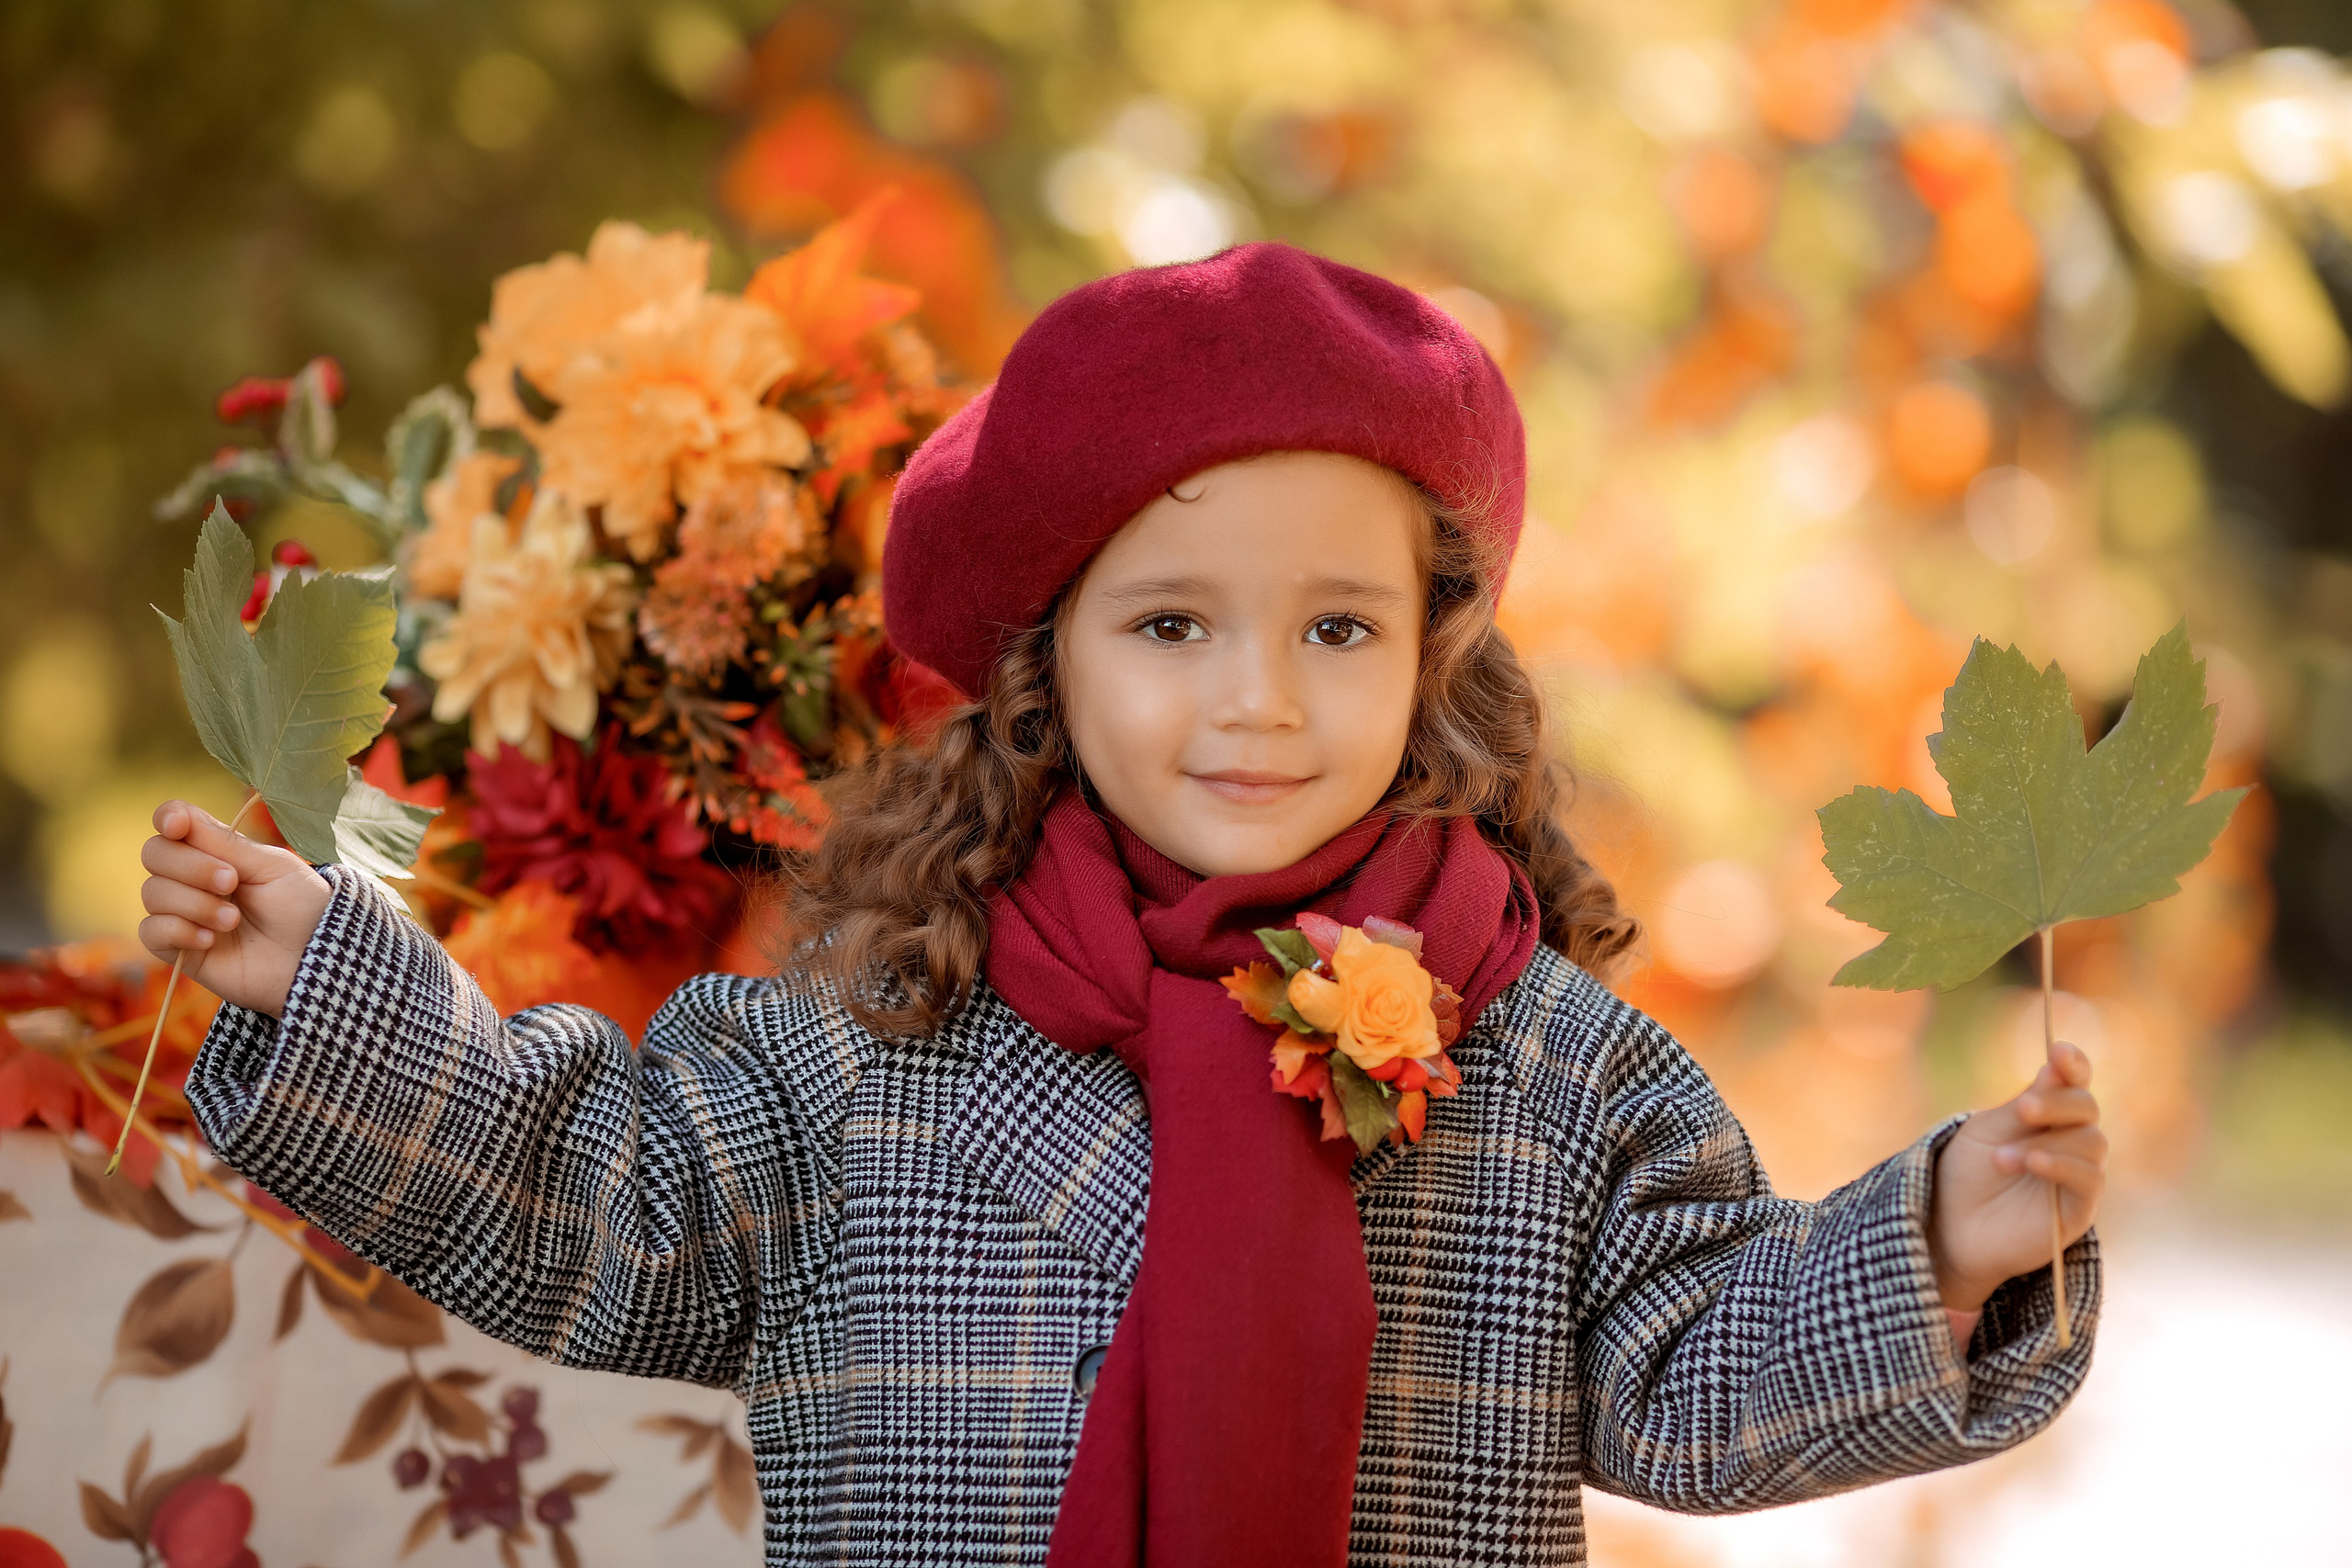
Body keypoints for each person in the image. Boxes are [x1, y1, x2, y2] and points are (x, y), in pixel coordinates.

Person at [138, 243, 2104, 1568]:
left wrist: (1943, 1237)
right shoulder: (864, 1035)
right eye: (1172, 625)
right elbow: (596, 1206)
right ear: (1047, 663)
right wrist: (318, 970)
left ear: (1430, 654)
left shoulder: (1545, 1066)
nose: (1258, 698)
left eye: (1336, 627)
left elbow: (1697, 1370)